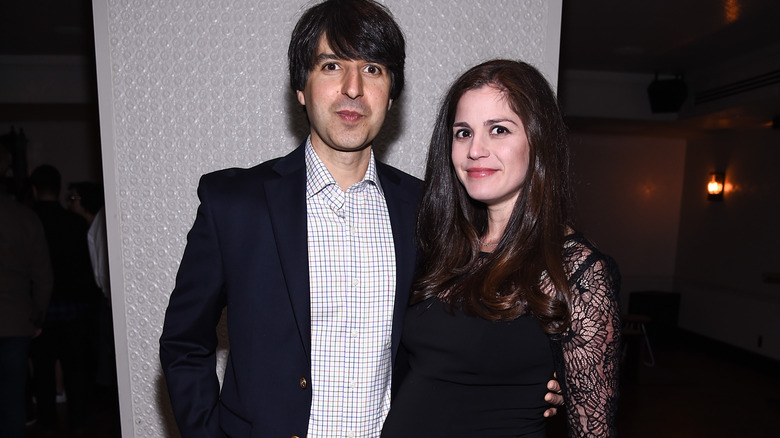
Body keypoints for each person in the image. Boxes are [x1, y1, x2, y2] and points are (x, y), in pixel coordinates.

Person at [159, 2, 562, 437]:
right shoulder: (234, 205)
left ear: (391, 94)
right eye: (331, 65)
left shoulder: (431, 210)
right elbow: (185, 343)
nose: (352, 88)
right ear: (301, 87)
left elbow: (471, 333)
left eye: (372, 69)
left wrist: (526, 386)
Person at [381, 60, 621, 437]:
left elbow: (593, 429)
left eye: (498, 130)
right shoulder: (442, 244)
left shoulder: (574, 268)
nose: (476, 149)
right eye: (463, 132)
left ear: (538, 141)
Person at [29, 165, 101, 432]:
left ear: (34, 190)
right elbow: (86, 268)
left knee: (43, 372)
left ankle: (48, 424)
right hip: (74, 308)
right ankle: (79, 425)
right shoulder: (74, 222)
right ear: (59, 190)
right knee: (75, 372)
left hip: (42, 309)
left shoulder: (30, 219)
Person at [0, 145, 53, 438]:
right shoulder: (24, 217)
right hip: (15, 319)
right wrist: (37, 315)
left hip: (16, 319)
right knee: (12, 399)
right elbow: (43, 275)